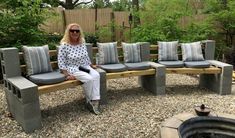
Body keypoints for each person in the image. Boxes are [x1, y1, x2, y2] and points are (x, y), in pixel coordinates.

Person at [58, 23, 101, 115]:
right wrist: (67, 74)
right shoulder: (64, 45)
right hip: (73, 69)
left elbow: (86, 56)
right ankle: (89, 101)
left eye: (77, 31)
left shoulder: (82, 42)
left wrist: (91, 65)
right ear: (68, 32)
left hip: (83, 67)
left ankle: (95, 100)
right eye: (72, 30)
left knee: (96, 75)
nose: (74, 32)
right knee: (89, 79)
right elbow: (61, 61)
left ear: (79, 32)